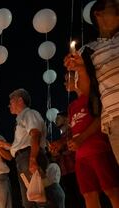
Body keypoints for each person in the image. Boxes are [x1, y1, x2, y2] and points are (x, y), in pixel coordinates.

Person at [53, 71, 119, 208]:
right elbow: (74, 132)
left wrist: (81, 139)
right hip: (81, 157)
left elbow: (99, 120)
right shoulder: (72, 106)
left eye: (68, 79)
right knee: (89, 194)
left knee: (111, 190)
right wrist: (63, 144)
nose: (65, 83)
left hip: (98, 149)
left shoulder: (94, 98)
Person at [64, 0, 119, 165]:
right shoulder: (88, 51)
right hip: (115, 119)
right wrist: (80, 68)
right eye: (114, 5)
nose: (118, 7)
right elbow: (86, 92)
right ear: (98, 14)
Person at [5, 88, 48, 208]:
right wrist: (5, 145)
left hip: (29, 155)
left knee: (40, 196)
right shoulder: (20, 121)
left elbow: (35, 134)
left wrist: (32, 158)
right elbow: (20, 145)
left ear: (20, 101)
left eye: (11, 102)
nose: (9, 105)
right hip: (21, 158)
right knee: (29, 200)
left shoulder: (29, 114)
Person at [49, 112, 93, 208]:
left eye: (59, 117)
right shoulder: (61, 137)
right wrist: (55, 153)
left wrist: (61, 146)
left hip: (76, 169)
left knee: (81, 202)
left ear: (67, 119)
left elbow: (72, 147)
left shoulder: (72, 132)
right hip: (65, 173)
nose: (56, 120)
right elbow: (57, 157)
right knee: (72, 205)